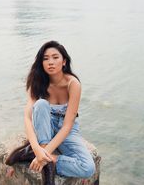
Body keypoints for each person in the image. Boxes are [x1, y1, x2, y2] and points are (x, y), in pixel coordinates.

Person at [5, 40, 95, 185]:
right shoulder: (37, 81)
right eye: (45, 58)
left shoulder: (73, 84)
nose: (50, 62)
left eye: (55, 57)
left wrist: (43, 155)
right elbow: (28, 118)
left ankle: (42, 158)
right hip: (44, 126)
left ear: (64, 61)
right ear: (41, 63)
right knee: (41, 104)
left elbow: (67, 126)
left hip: (67, 131)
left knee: (88, 167)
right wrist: (37, 147)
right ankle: (44, 163)